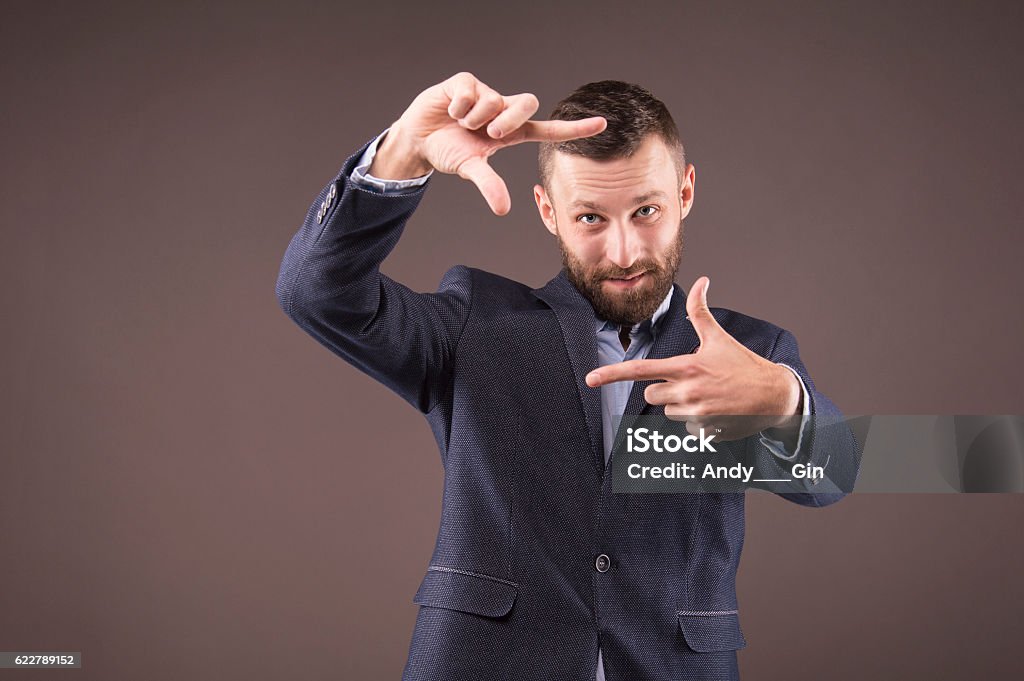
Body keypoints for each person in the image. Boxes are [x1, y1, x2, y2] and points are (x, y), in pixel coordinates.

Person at [276, 71, 858, 681]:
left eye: (647, 210)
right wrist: (400, 154)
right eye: (590, 219)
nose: (625, 252)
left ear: (685, 194)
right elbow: (314, 293)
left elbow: (834, 477)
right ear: (547, 211)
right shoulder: (475, 322)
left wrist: (786, 403)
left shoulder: (754, 350)